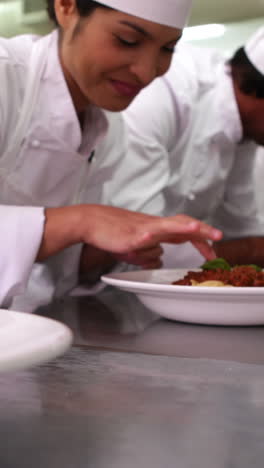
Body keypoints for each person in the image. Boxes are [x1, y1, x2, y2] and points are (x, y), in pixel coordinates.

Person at [0, 0, 223, 309]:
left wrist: (109, 252)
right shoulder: (4, 74)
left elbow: (50, 275)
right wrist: (81, 221)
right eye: (127, 40)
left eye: (168, 49)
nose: (147, 72)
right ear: (66, 7)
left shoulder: (109, 128)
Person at [106, 26, 264, 268]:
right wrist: (252, 251)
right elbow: (140, 242)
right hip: (85, 282)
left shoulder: (246, 127)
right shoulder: (162, 93)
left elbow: (240, 227)